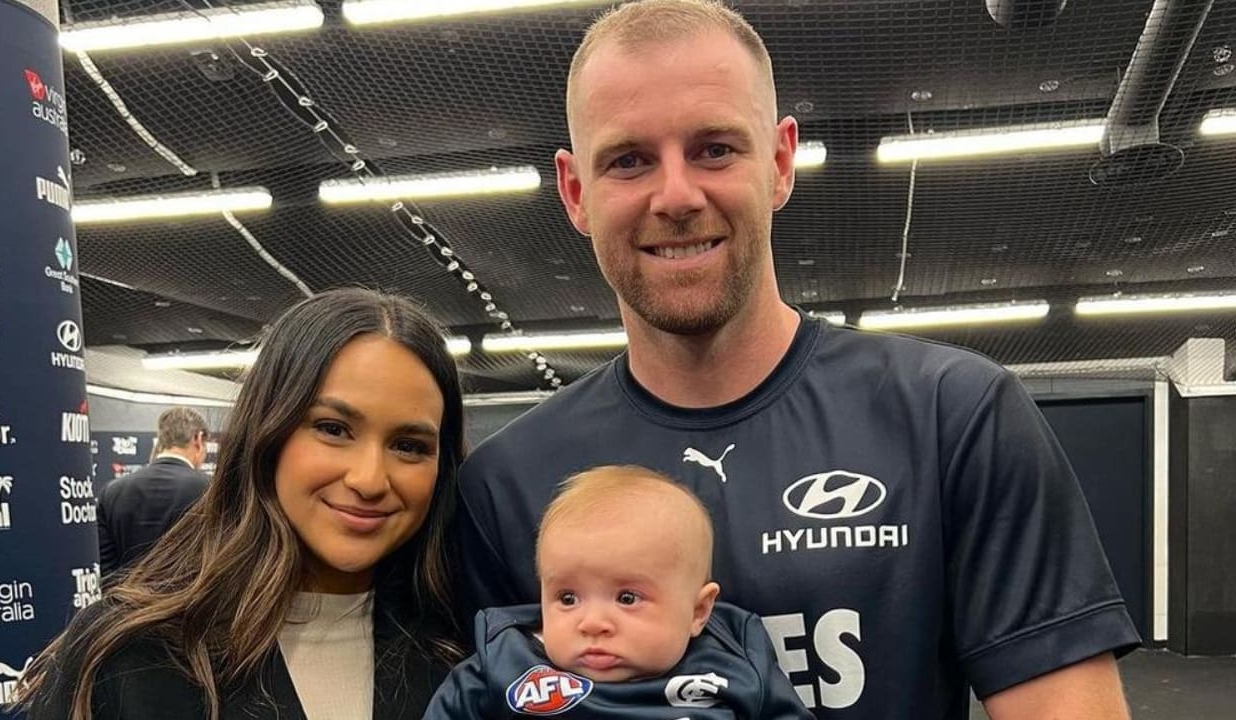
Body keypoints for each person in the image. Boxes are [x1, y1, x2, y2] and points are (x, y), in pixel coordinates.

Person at [455, 2, 1141, 719]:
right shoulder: (507, 487)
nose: (677, 195)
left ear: (780, 163)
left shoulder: (953, 415)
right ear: (575, 193)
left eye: (715, 148)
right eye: (628, 160)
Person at [16, 288, 466, 720]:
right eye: (333, 429)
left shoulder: (470, 651)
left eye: (409, 445)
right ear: (267, 432)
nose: (369, 479)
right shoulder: (126, 654)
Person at [427, 466, 812, 719]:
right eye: (567, 598)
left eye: (627, 598)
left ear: (698, 612)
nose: (592, 623)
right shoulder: (505, 663)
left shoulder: (734, 661)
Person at [96, 406, 210, 577]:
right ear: (198, 439)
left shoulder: (112, 492)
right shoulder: (211, 489)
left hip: (127, 602)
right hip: (193, 602)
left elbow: (106, 570)